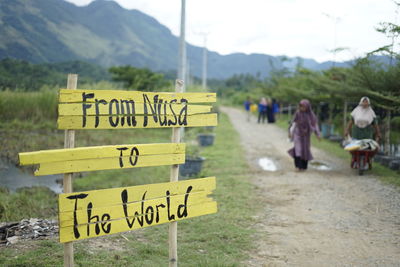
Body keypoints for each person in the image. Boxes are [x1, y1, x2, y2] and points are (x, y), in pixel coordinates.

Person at [288, 99, 321, 171]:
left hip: (306, 135)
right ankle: (298, 166)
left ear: (307, 107)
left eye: (303, 107)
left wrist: (317, 134)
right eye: (300, 106)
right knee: (298, 148)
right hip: (298, 133)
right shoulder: (298, 113)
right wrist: (290, 132)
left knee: (305, 149)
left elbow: (315, 125)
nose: (302, 108)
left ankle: (303, 166)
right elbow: (293, 122)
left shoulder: (311, 115)